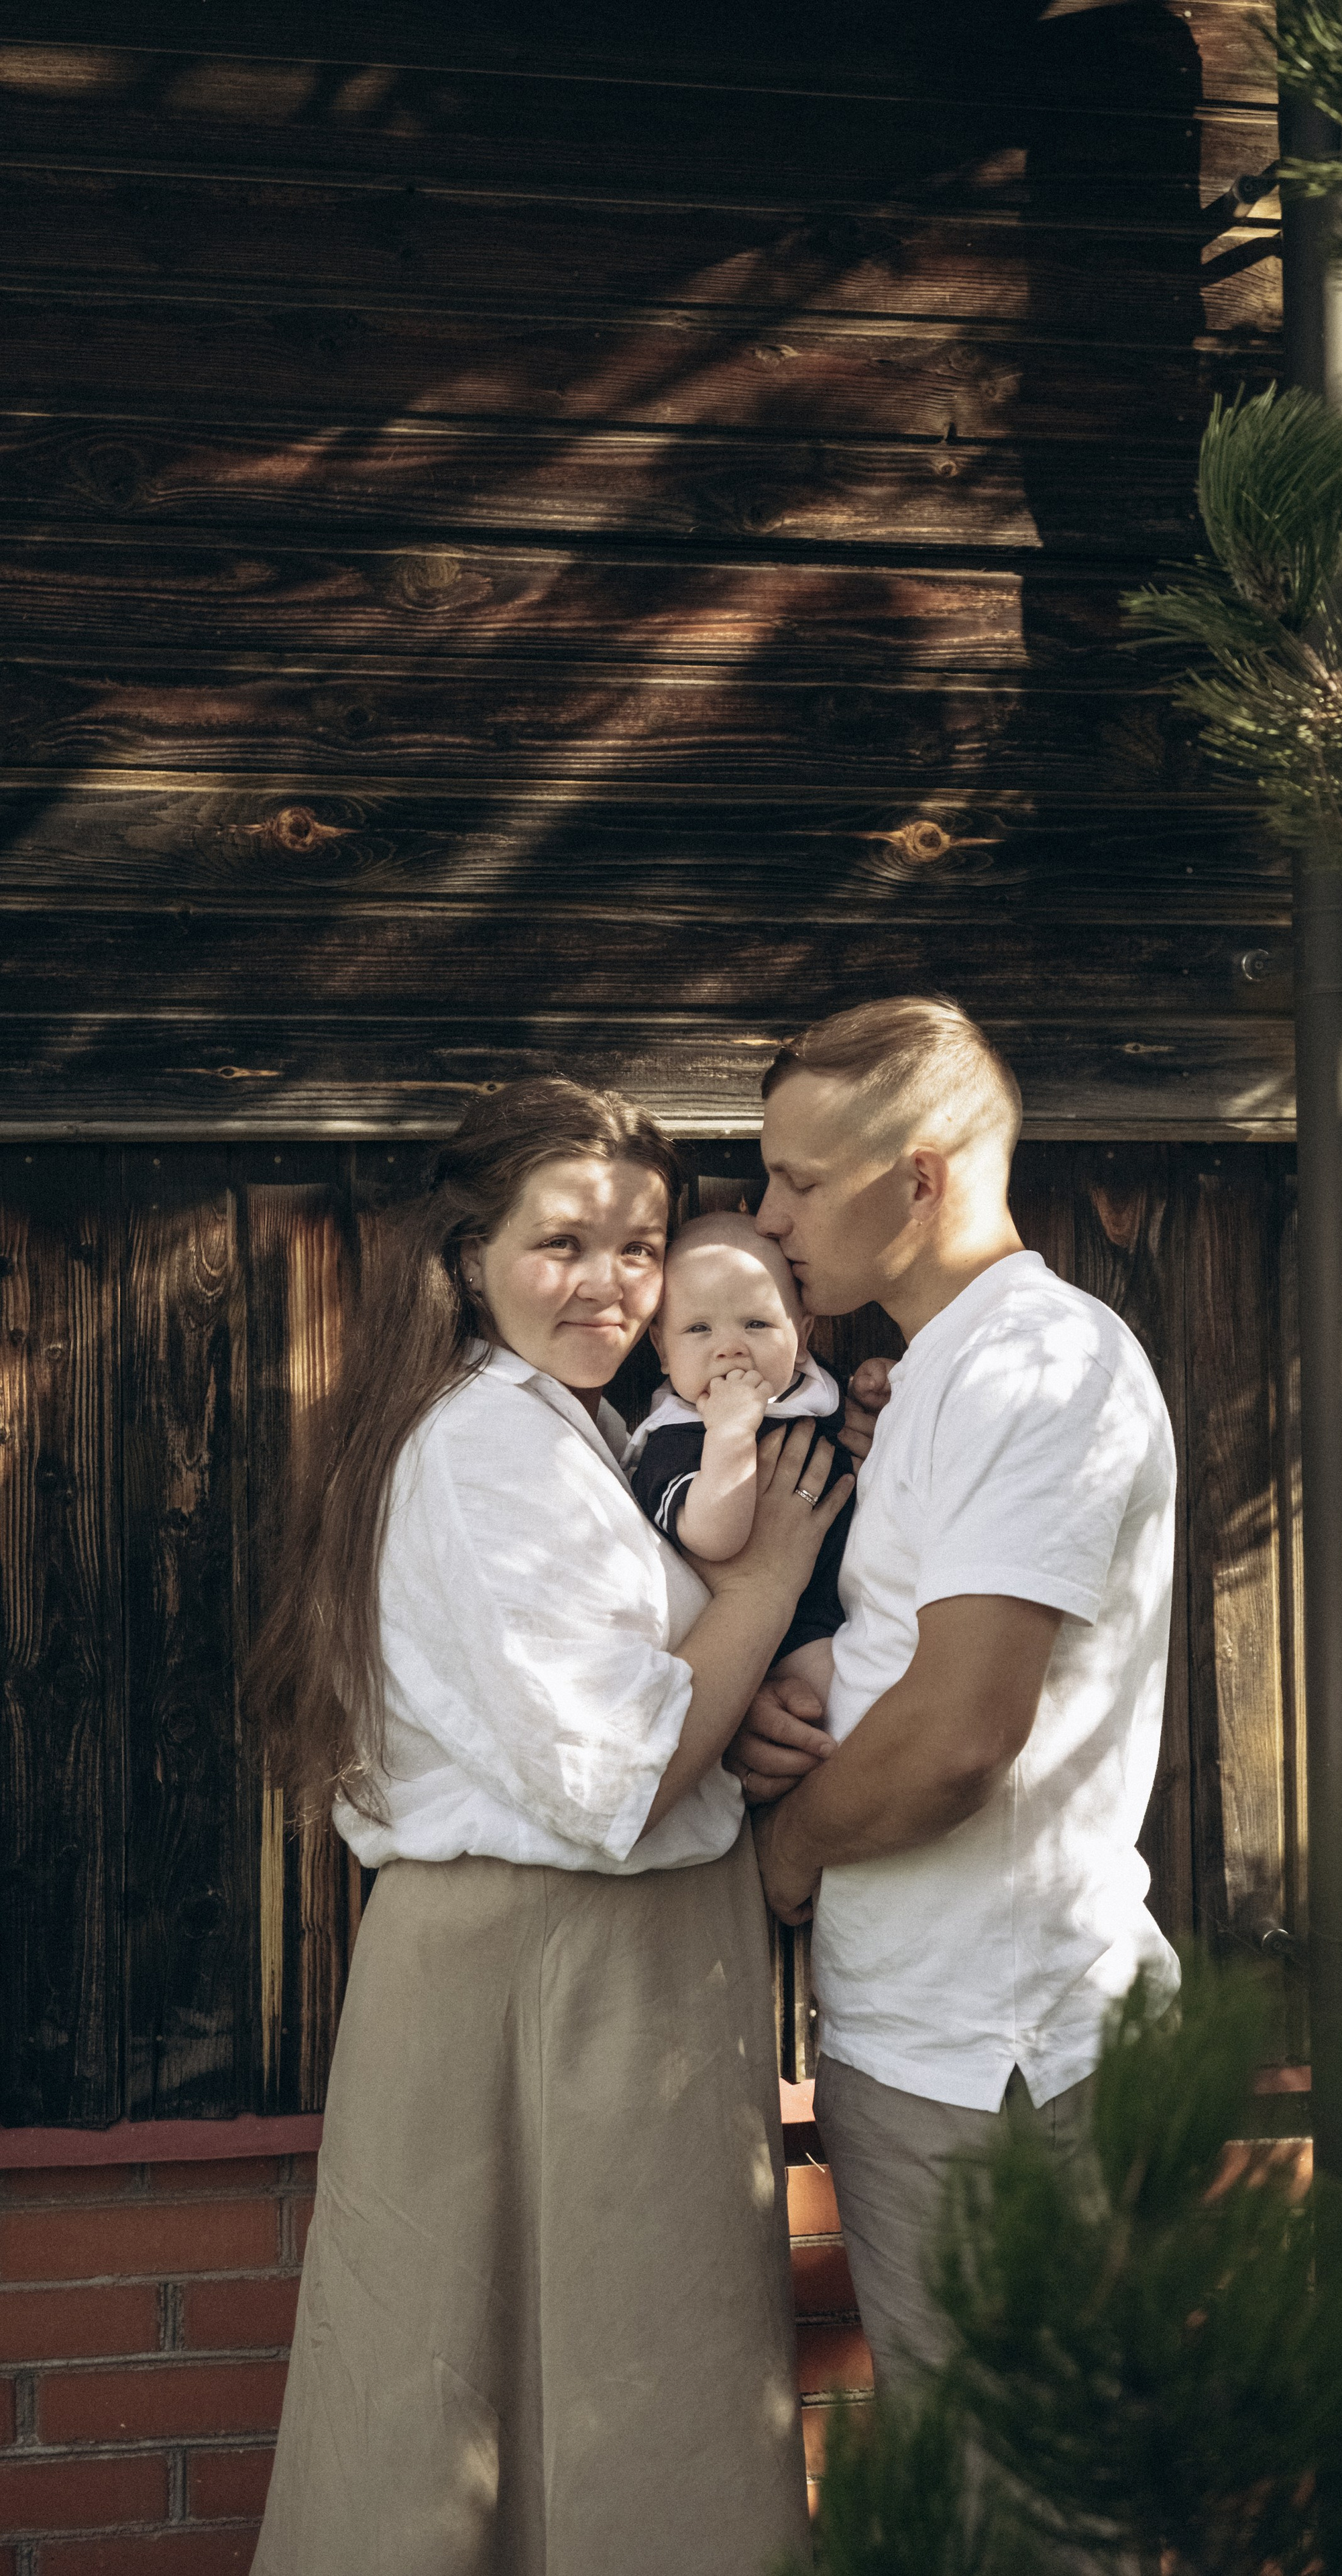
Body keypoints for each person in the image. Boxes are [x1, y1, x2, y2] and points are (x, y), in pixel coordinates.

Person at [248, 1076, 848, 2576]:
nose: (608, 1283)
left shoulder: (587, 1428)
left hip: (601, 1962)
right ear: (467, 1255)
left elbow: (661, 1709)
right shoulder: (489, 1448)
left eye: (640, 1248)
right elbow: (621, 1775)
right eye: (562, 1243)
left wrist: (751, 1711)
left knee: (583, 2409)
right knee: (498, 2425)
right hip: (545, 1969)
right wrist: (767, 1591)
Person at [727, 996, 1179, 2396]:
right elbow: (919, 1654)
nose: (768, 1213)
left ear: (916, 1176)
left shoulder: (1039, 1364)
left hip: (1004, 2056)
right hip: (941, 2040)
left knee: (1023, 2513)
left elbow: (963, 1729)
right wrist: (808, 1683)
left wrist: (785, 1856)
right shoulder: (937, 1370)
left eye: (797, 1178)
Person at [625, 1212, 855, 1687]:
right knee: (844, 1691)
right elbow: (715, 1538)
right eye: (698, 1329)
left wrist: (872, 1390)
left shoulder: (810, 1385)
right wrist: (729, 1435)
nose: (730, 1347)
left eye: (756, 1323)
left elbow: (855, 1421)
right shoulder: (675, 1441)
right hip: (790, 1628)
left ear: (803, 1336)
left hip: (866, 1590)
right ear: (662, 1349)